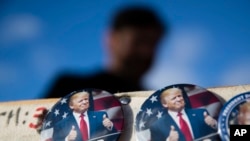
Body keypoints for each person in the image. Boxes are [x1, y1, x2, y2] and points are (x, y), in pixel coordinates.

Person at [44, 5, 167, 98]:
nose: (146, 51)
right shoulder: (70, 87)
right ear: (111, 39)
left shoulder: (155, 100)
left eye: (153, 44)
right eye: (138, 41)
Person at [150, 87, 217, 141]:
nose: (178, 99)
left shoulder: (201, 113)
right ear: (165, 104)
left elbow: (215, 135)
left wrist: (214, 124)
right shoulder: (157, 126)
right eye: (174, 98)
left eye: (179, 96)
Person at [52, 91, 118, 141]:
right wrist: (67, 139)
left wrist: (110, 126)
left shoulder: (101, 116)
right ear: (71, 106)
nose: (84, 102)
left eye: (86, 99)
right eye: (80, 101)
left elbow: (114, 136)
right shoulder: (61, 125)